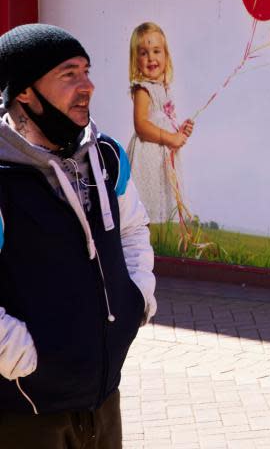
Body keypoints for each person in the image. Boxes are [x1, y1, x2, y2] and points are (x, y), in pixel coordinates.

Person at [0, 24, 157, 448]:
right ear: (24, 92)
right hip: (25, 412)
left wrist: (137, 294)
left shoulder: (105, 156)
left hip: (103, 398)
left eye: (86, 71)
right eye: (68, 74)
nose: (87, 85)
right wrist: (20, 356)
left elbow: (132, 228)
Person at [125, 22, 194, 223]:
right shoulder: (143, 89)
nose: (151, 58)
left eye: (156, 51)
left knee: (163, 197)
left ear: (166, 56)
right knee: (148, 197)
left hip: (162, 152)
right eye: (144, 53)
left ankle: (160, 238)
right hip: (148, 155)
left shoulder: (163, 88)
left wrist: (179, 131)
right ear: (135, 59)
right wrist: (171, 138)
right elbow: (141, 125)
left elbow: (161, 120)